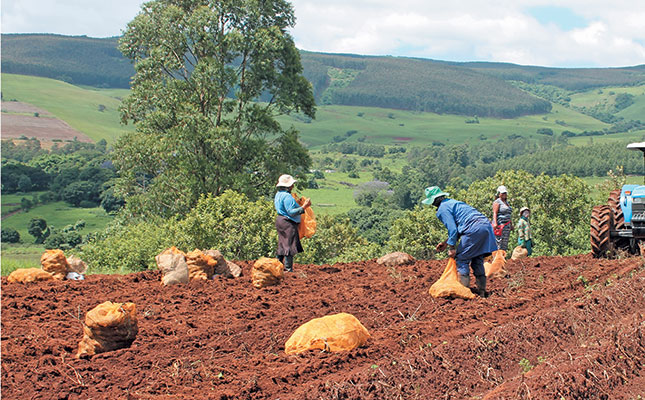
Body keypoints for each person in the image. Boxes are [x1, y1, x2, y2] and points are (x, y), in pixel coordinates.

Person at [422, 186, 497, 297]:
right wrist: (446, 242)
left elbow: (453, 229)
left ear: (434, 201)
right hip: (485, 226)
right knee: (477, 258)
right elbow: (459, 228)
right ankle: (482, 291)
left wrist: (452, 248)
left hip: (473, 229)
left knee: (461, 259)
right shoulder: (453, 203)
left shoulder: (442, 209)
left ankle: (464, 293)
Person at [274, 174, 311, 272]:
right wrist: (304, 207)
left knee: (282, 244)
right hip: (288, 222)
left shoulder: (278, 194)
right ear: (288, 186)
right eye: (291, 185)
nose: (293, 186)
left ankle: (277, 266)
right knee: (289, 245)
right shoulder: (287, 196)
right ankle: (288, 269)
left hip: (280, 220)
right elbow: (291, 212)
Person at [492, 185, 513, 252]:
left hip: (507, 225)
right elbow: (495, 213)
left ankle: (502, 257)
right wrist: (495, 223)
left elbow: (509, 214)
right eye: (502, 193)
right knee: (499, 242)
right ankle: (497, 258)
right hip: (500, 225)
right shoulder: (497, 202)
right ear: (499, 194)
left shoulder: (507, 203)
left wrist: (511, 224)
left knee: (505, 243)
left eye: (505, 193)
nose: (504, 194)